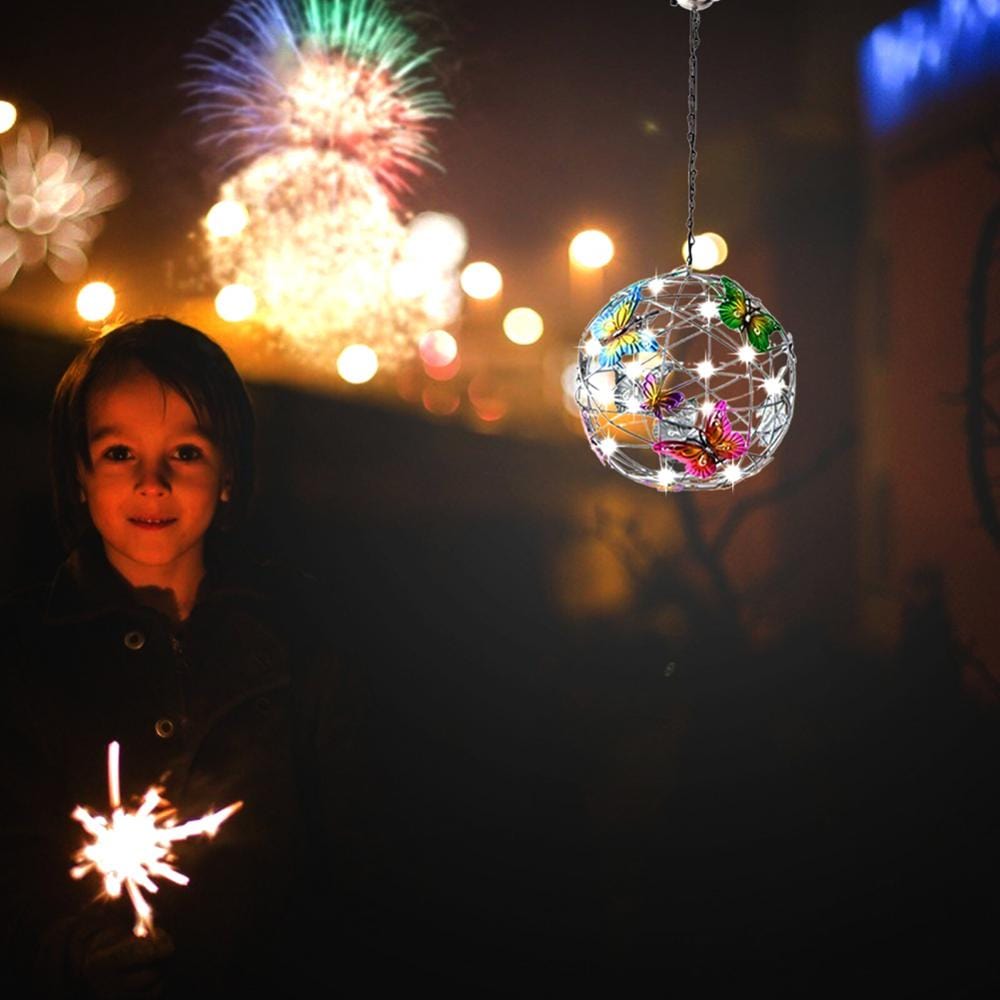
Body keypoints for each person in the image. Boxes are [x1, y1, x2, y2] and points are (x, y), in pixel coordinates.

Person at [0, 318, 364, 996]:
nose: (152, 482)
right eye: (118, 454)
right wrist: (68, 955)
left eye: (186, 453)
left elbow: (358, 855)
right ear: (77, 474)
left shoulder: (297, 639)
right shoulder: (25, 653)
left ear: (228, 474)